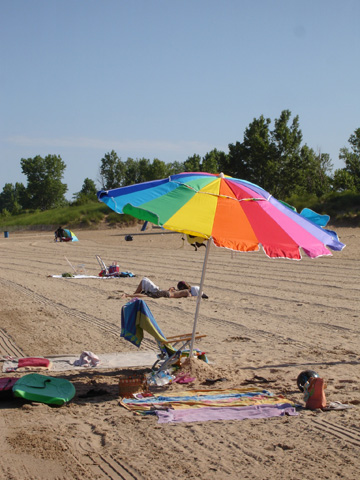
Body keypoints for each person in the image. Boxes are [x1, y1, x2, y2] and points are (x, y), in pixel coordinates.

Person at [122, 277, 207, 299]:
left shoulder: (185, 291)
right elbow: (189, 296)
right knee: (148, 296)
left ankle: (129, 296)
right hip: (167, 294)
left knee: (148, 296)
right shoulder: (187, 292)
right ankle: (128, 296)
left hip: (167, 294)